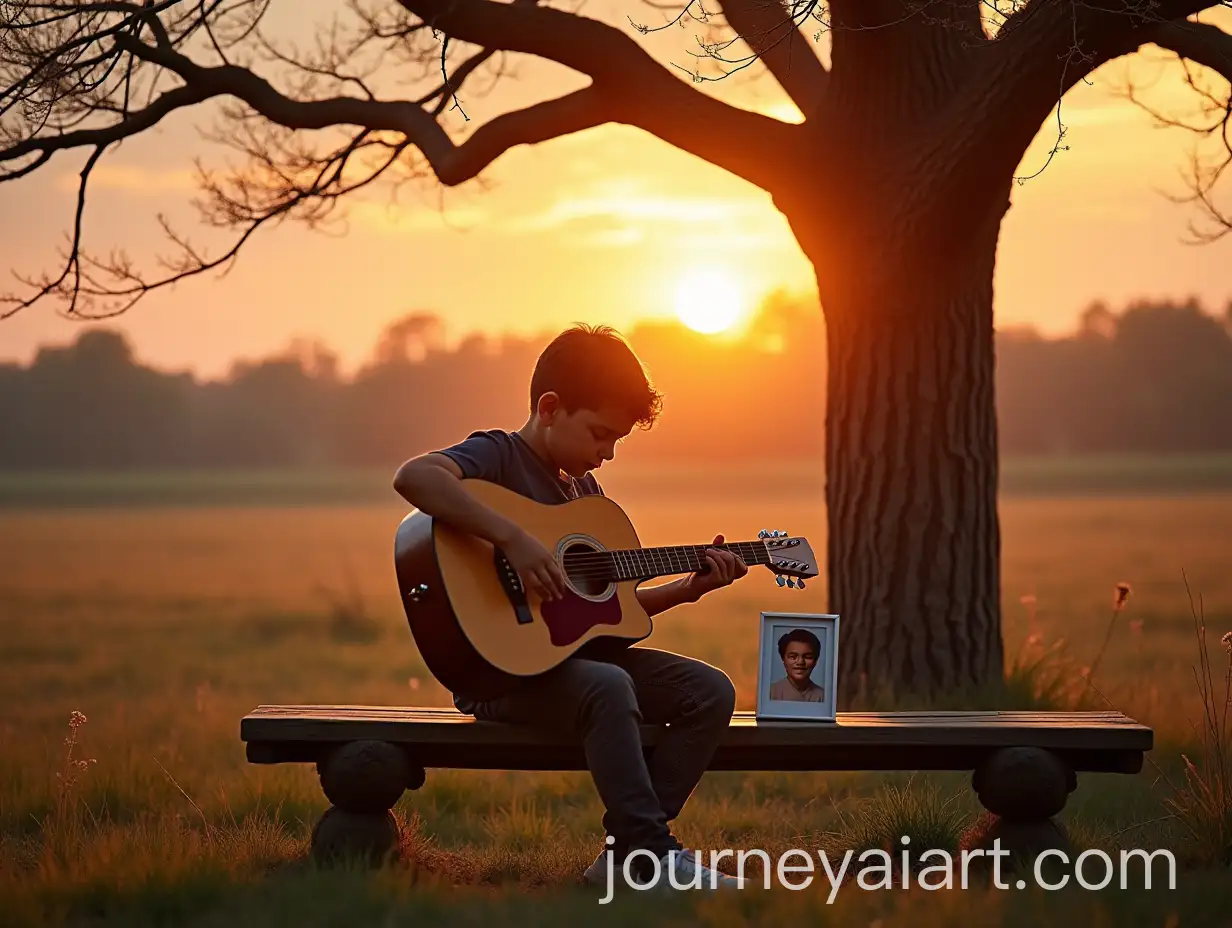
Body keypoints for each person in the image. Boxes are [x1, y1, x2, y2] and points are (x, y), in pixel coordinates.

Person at [391, 324, 750, 892]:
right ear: (550, 408)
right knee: (607, 686)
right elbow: (415, 476)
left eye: (616, 443)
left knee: (709, 691)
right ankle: (651, 857)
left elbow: (608, 614)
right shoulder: (499, 456)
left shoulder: (585, 498)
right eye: (599, 434)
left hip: (567, 666)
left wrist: (687, 589)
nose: (605, 454)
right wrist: (512, 538)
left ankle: (626, 852)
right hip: (498, 670)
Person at [768, 628, 825, 702]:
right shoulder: (771, 693)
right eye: (793, 657)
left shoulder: (823, 696)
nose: (800, 662)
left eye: (807, 657)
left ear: (815, 660)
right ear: (783, 659)